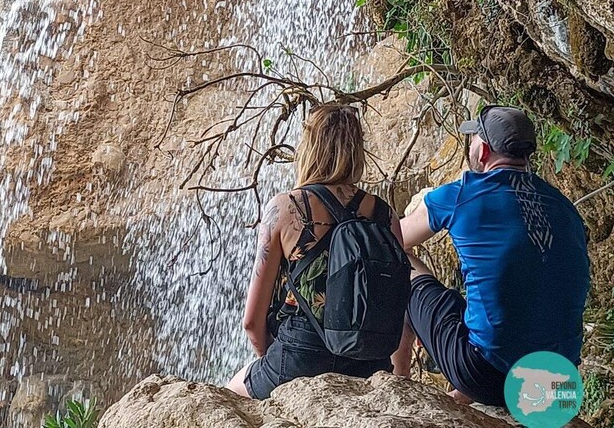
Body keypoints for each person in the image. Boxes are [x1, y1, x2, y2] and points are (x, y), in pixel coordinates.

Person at [396, 105, 591, 406]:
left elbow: (392, 240)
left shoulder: (462, 193)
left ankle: (399, 394)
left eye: (473, 139)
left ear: (484, 151)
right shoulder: (564, 207)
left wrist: (424, 205)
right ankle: (463, 396)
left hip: (488, 376)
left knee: (398, 264)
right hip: (558, 387)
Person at [226, 104, 408, 399]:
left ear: (309, 147)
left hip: (299, 355)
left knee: (228, 396)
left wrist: (269, 359)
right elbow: (397, 302)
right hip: (369, 361)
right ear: (356, 150)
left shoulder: (285, 208)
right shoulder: (385, 214)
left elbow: (251, 321)